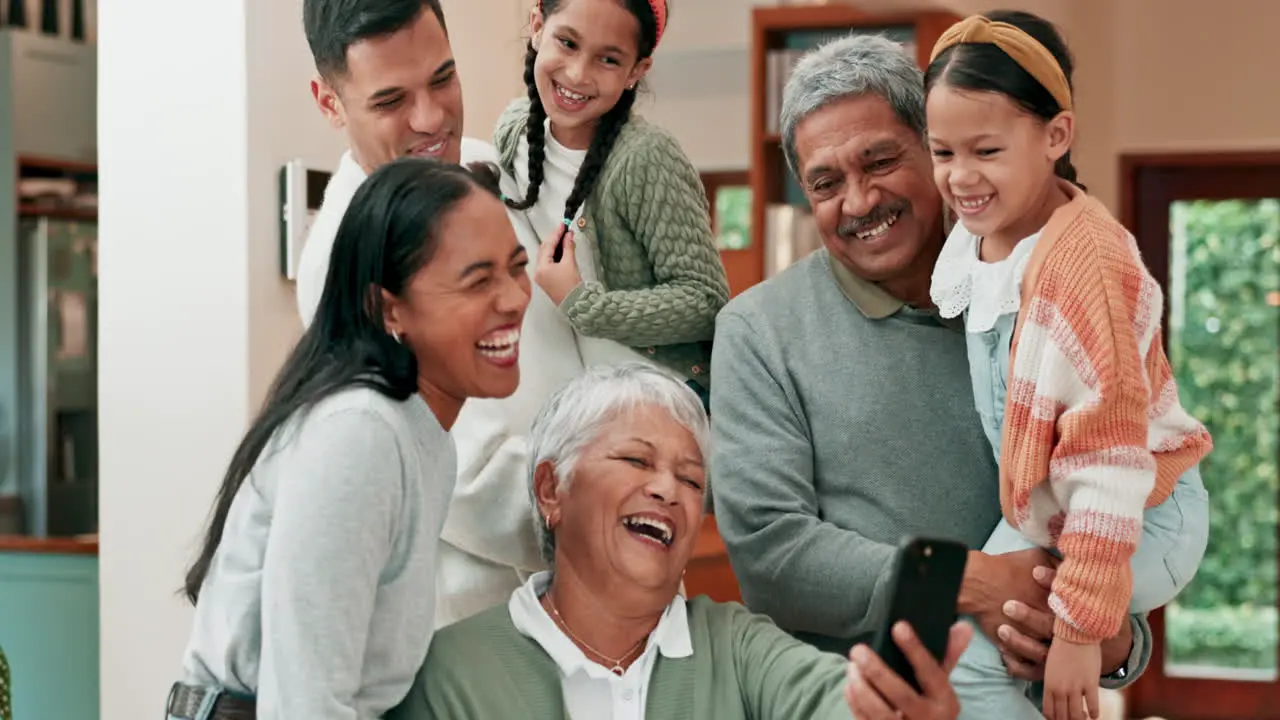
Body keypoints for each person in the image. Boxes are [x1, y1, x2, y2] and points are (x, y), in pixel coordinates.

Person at [707, 32, 1205, 712]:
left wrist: (1113, 644)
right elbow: (774, 557)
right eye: (825, 183)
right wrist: (967, 581)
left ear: (937, 149)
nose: (857, 201)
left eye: (882, 161)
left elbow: (1116, 482)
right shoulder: (758, 330)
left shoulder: (1044, 289)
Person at [388, 363, 971, 720]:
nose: (669, 489)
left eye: (692, 479)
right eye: (635, 460)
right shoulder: (448, 674)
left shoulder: (738, 649)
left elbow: (830, 702)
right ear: (550, 489)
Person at [924, 12, 1212, 720]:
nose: (961, 177)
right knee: (955, 638)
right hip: (1053, 510)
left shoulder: (1083, 264)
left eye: (986, 149)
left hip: (1141, 509)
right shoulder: (977, 238)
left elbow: (1110, 466)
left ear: (1056, 135)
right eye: (941, 152)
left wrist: (1083, 630)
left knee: (973, 664)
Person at [167, 159, 530, 719]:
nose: (514, 299)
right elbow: (305, 704)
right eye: (478, 281)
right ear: (389, 308)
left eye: (517, 268)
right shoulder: (360, 434)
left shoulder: (421, 434)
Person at [295, 0, 585, 625]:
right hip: (481, 617)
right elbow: (467, 478)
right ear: (328, 103)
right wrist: (609, 515)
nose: (431, 120)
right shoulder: (347, 262)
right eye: (389, 101)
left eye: (443, 79)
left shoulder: (484, 163)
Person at [494, 0, 729, 404]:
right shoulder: (514, 131)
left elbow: (706, 301)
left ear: (637, 71)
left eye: (608, 59)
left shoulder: (646, 159)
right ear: (537, 27)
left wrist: (584, 304)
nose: (578, 73)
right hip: (577, 400)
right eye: (567, 42)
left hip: (663, 401)